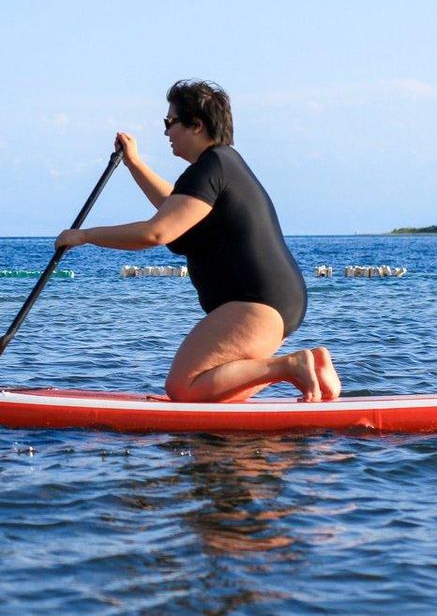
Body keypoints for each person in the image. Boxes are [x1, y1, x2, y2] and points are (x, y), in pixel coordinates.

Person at [55, 79, 341, 403]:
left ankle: (293, 365)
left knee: (182, 386)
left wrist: (85, 236)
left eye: (170, 122)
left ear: (196, 125)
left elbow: (157, 232)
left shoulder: (211, 168)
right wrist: (134, 163)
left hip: (256, 304)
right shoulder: (222, 165)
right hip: (273, 302)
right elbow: (172, 207)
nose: (166, 132)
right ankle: (311, 367)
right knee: (211, 393)